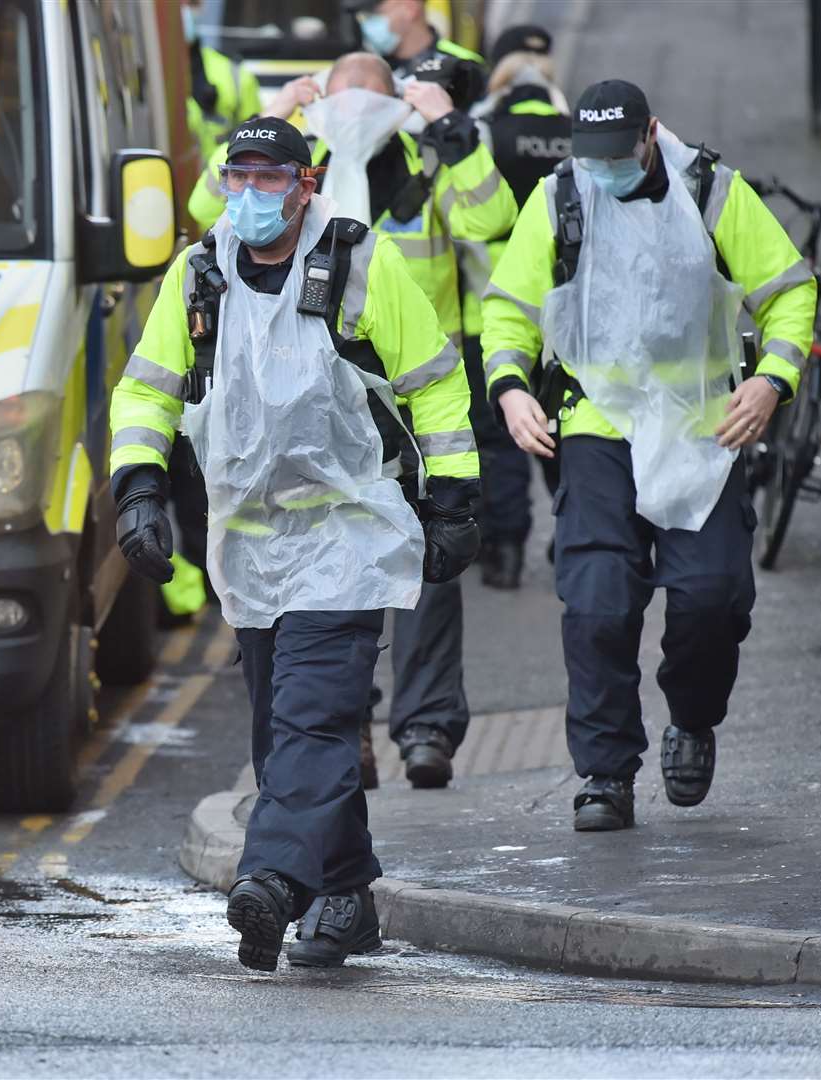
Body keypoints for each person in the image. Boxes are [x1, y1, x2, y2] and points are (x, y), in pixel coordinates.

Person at [111, 119, 480, 969]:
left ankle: (270, 879)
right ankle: (345, 898)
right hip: (250, 543)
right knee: (282, 737)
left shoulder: (361, 264)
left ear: (305, 183)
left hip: (346, 532)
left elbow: (431, 380)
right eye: (235, 176)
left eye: (267, 178)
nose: (248, 194)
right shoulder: (199, 273)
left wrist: (453, 499)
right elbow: (147, 388)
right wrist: (138, 487)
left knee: (315, 720)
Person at [482, 80, 816, 831]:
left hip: (703, 427)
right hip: (597, 428)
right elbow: (509, 307)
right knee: (597, 604)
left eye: (616, 156)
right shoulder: (560, 197)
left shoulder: (712, 192)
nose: (603, 172)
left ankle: (691, 720)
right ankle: (604, 773)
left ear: (649, 134)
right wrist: (509, 388)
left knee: (712, 597)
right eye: (589, 158)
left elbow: (788, 292)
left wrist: (771, 381)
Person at [191, 53, 515, 791]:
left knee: (429, 570)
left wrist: (449, 126)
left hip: (407, 402)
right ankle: (352, 728)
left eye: (373, 102)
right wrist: (275, 111)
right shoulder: (294, 173)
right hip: (314, 411)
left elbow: (491, 216)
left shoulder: (425, 158)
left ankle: (427, 726)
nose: (357, 116)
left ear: (399, 104)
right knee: (332, 592)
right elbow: (206, 201)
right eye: (342, 102)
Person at [462, 23, 574, 589]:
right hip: (568, 311)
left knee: (501, 435)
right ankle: (575, 533)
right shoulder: (575, 128)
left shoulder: (482, 129)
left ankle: (505, 551)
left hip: (495, 308)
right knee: (565, 424)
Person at [349, 0, 486, 105]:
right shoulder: (370, 66)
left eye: (375, 14)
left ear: (410, 8)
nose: (366, 24)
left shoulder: (462, 66)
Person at [181, 0, 262, 166]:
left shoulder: (235, 74)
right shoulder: (148, 71)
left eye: (191, 3)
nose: (184, 11)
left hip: (221, 181)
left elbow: (257, 144)